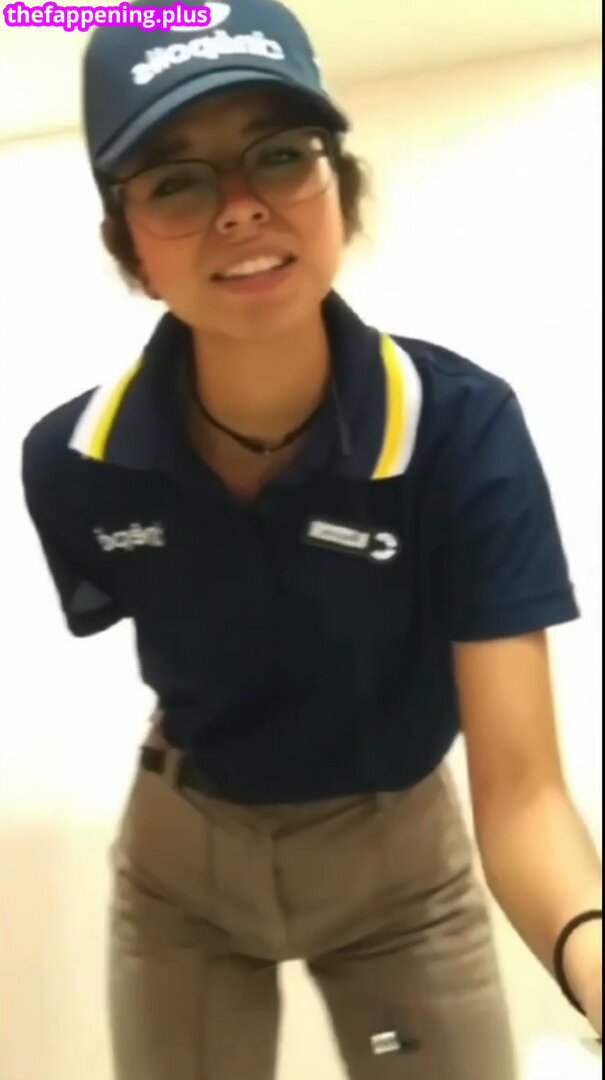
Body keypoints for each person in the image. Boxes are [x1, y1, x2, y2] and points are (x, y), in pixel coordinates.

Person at [20, 0, 602, 1077]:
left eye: (281, 154)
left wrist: (590, 955)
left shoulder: (459, 431)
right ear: (128, 243)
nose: (241, 207)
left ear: (340, 185)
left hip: (396, 883)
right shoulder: (74, 462)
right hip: (184, 879)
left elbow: (524, 794)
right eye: (177, 180)